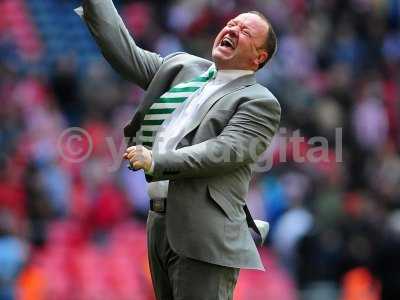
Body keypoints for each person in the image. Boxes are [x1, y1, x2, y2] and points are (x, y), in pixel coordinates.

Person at [76, 1, 280, 299]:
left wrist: (156, 161)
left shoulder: (259, 101)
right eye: (233, 23)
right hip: (158, 223)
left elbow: (222, 151)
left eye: (245, 31)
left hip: (205, 234)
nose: (233, 29)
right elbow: (126, 54)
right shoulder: (182, 68)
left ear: (258, 59)